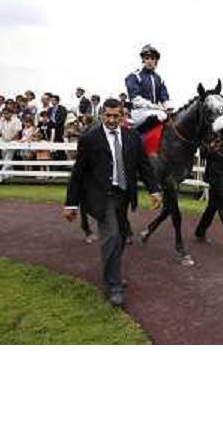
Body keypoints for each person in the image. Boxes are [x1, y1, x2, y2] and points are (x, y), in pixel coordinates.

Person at [63, 98, 162, 307]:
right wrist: (70, 204)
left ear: (122, 115)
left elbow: (144, 166)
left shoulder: (133, 136)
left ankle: (113, 271)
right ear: (102, 115)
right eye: (108, 115)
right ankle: (114, 285)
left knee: (121, 236)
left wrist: (154, 190)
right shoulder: (90, 138)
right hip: (101, 196)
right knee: (111, 236)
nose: (111, 119)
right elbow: (78, 172)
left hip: (124, 195)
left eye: (116, 115)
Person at [125, 44, 173, 133]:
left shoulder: (159, 78)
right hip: (139, 111)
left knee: (170, 118)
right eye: (147, 58)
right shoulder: (134, 76)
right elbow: (135, 99)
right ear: (143, 60)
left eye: (152, 58)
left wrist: (170, 109)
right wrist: (154, 106)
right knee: (160, 116)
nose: (149, 61)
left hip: (156, 111)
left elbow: (165, 98)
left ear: (156, 61)